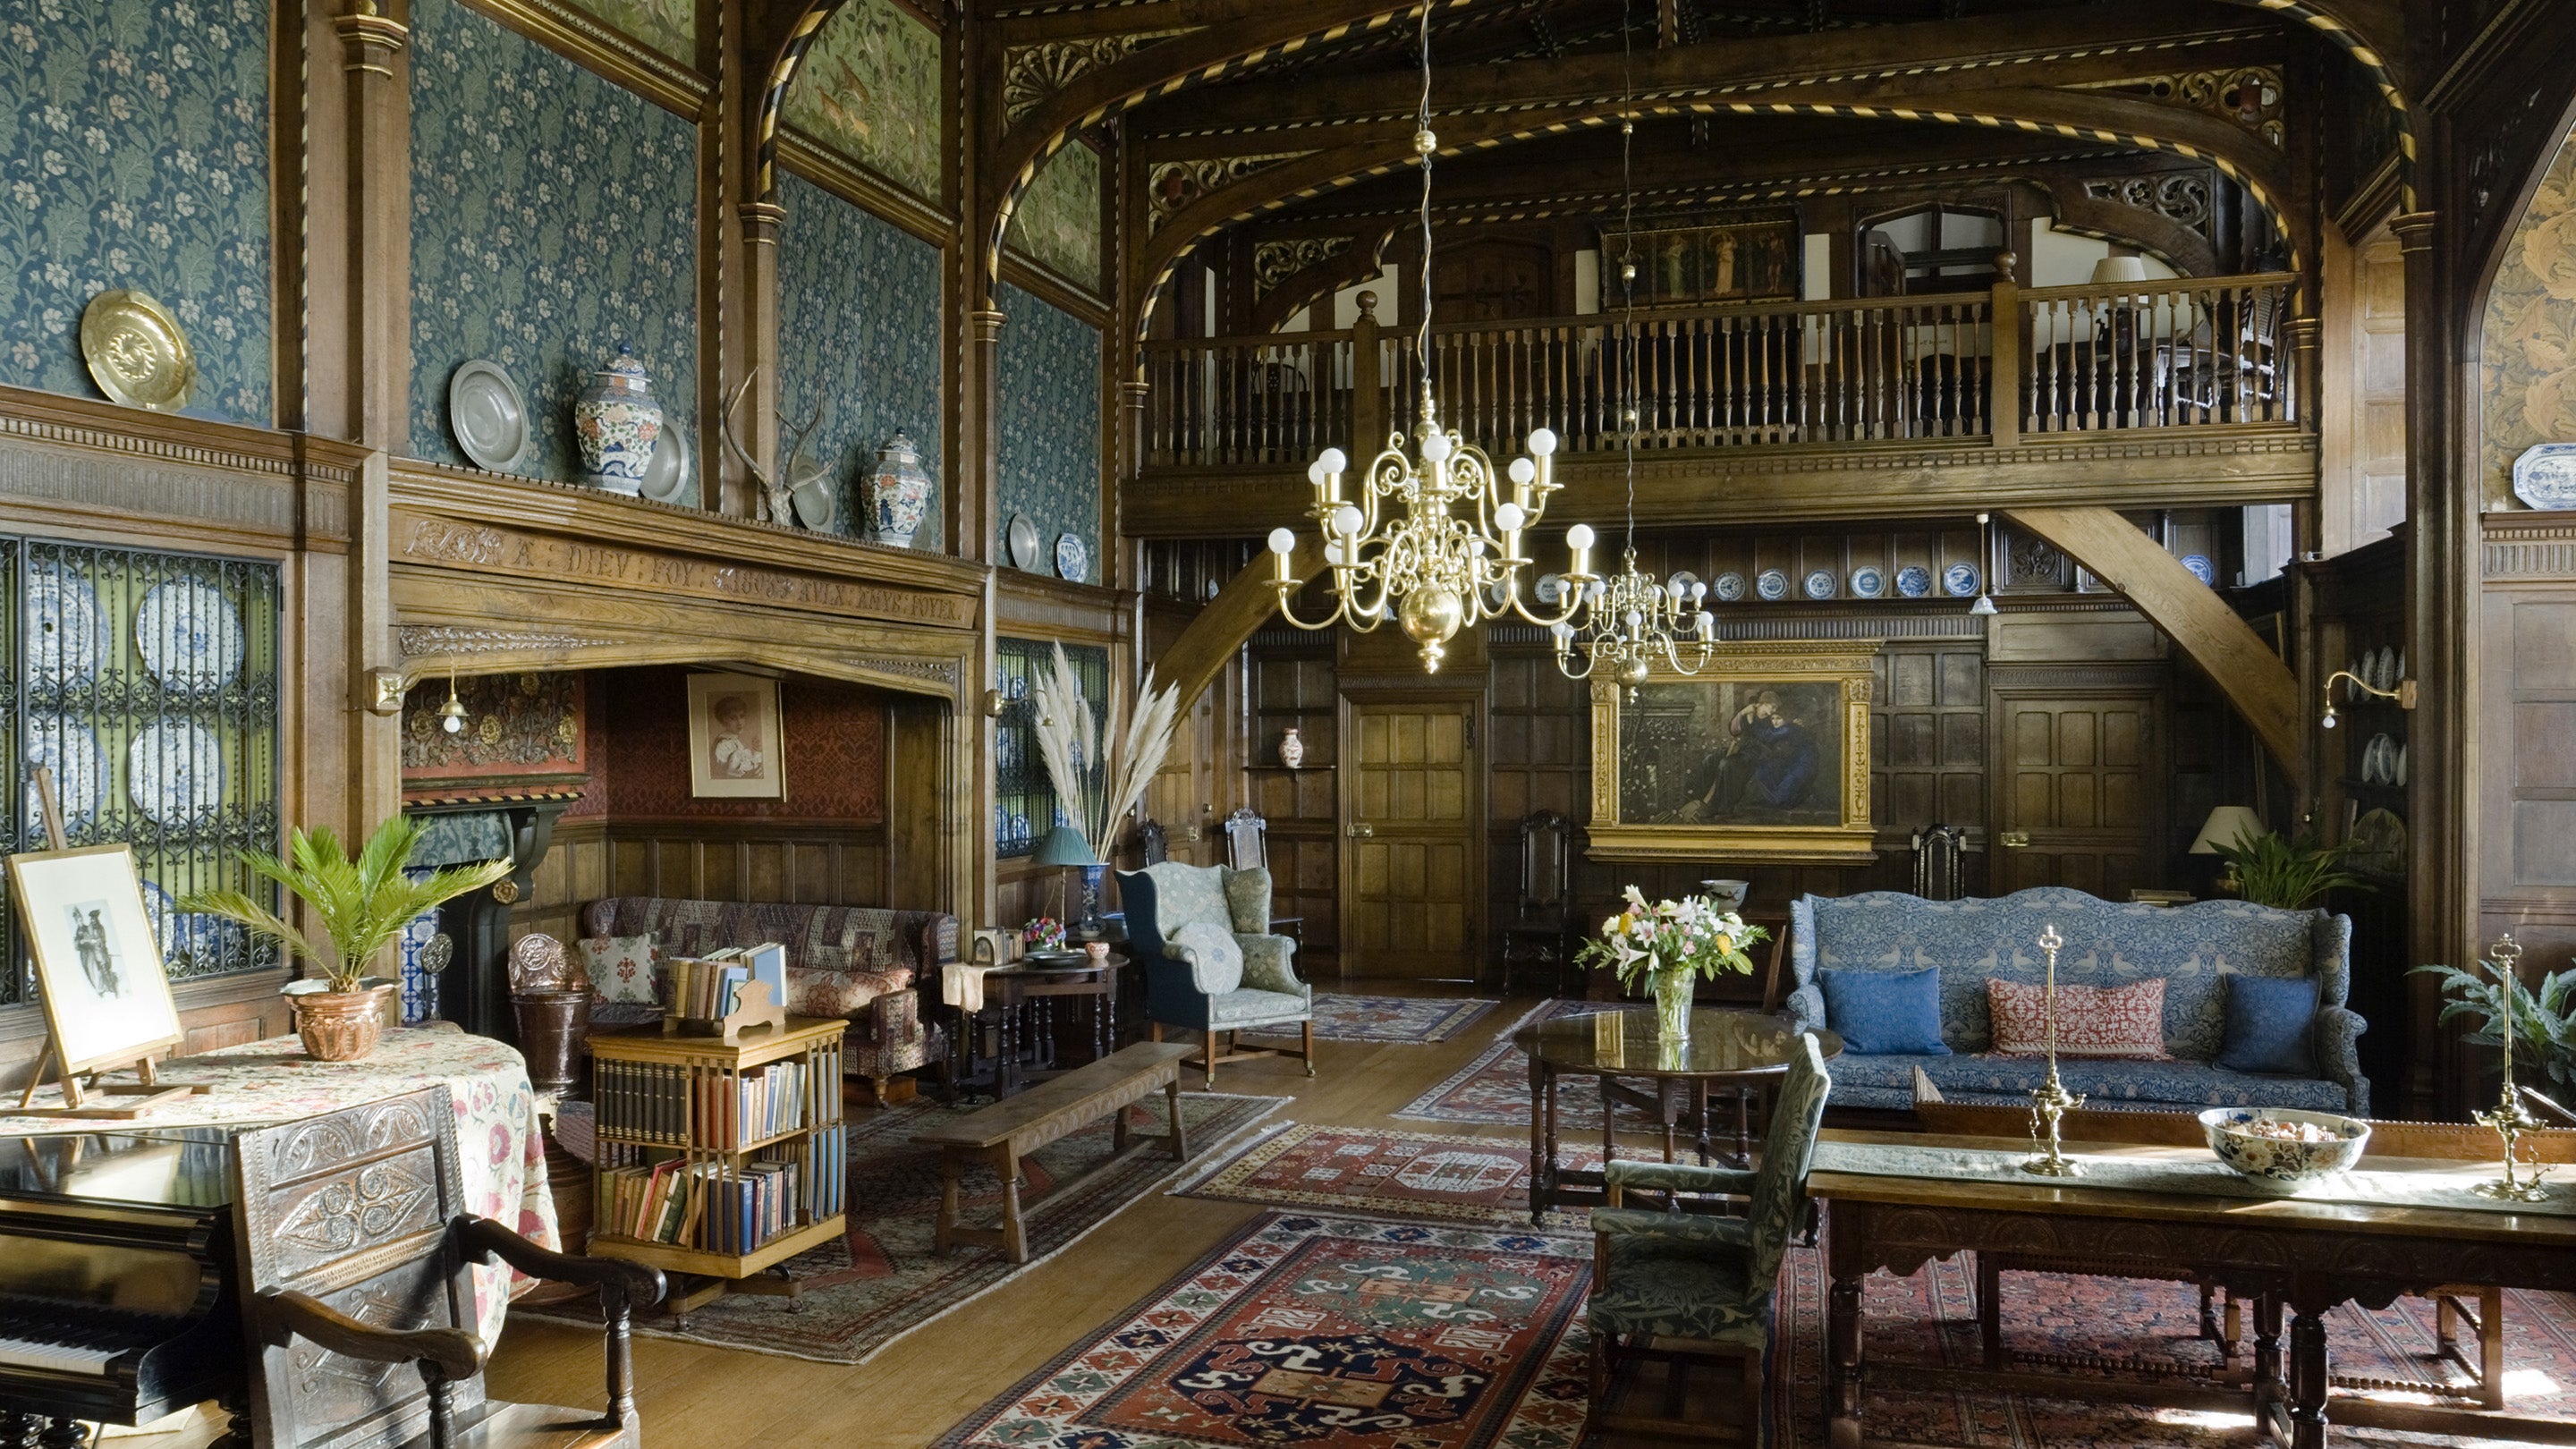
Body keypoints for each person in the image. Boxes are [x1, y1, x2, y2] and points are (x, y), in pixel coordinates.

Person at [1686, 689, 1820, 819]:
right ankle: (1704, 801)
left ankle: (1725, 807)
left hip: (1757, 753)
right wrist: (1742, 714)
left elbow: (1770, 738)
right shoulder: (1748, 712)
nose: (1774, 711)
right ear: (1764, 703)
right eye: (1772, 707)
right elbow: (1734, 730)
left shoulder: (1770, 720)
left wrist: (1752, 726)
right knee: (1710, 760)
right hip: (1741, 749)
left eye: (1775, 710)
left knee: (1727, 764)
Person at [709, 694, 765, 779]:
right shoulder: (724, 745)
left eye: (742, 716)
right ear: (724, 720)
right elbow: (726, 775)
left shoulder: (734, 741)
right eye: (733, 718)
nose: (739, 722)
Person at [71, 907, 120, 997]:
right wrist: (85, 941)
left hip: (94, 952)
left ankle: (107, 986)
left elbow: (96, 937)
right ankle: (100, 989)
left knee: (100, 969)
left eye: (81, 919)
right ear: (77, 922)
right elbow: (77, 945)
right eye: (79, 920)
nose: (81, 921)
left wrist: (96, 942)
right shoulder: (78, 932)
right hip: (87, 955)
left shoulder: (88, 928)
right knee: (93, 972)